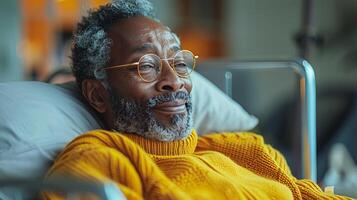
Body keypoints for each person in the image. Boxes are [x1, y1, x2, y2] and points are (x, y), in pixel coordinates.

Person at [43, 0, 351, 199]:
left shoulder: (247, 150)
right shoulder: (95, 161)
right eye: (147, 66)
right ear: (98, 95)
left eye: (178, 63)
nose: (174, 81)